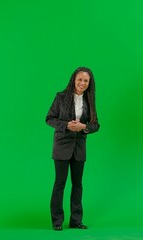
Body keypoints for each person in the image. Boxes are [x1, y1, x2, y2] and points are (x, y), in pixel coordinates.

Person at [46, 67, 100, 231]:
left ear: (89, 84)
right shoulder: (61, 97)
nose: (82, 83)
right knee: (59, 184)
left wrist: (84, 128)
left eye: (86, 81)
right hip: (62, 146)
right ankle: (57, 221)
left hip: (79, 148)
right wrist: (66, 125)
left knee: (77, 185)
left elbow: (96, 125)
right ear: (73, 80)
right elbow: (49, 118)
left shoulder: (89, 101)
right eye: (80, 79)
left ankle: (76, 221)